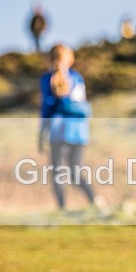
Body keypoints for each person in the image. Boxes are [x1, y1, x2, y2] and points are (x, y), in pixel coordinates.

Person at [38, 44, 104, 212]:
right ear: (69, 59)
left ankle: (62, 209)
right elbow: (83, 106)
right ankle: (95, 200)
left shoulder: (47, 80)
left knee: (57, 173)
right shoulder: (77, 78)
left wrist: (42, 132)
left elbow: (46, 108)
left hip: (59, 131)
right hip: (79, 133)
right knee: (76, 172)